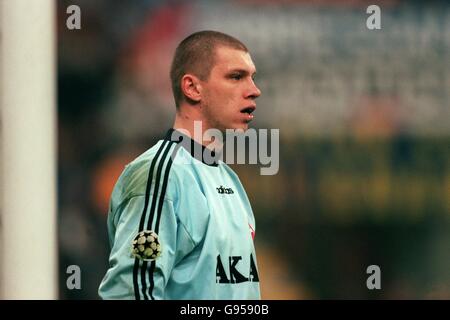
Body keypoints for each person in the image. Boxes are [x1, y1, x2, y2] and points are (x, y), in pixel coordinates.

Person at [98, 30, 262, 300]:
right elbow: (132, 293)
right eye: (236, 77)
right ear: (192, 88)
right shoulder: (159, 175)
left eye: (252, 77)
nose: (254, 90)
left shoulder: (229, 179)